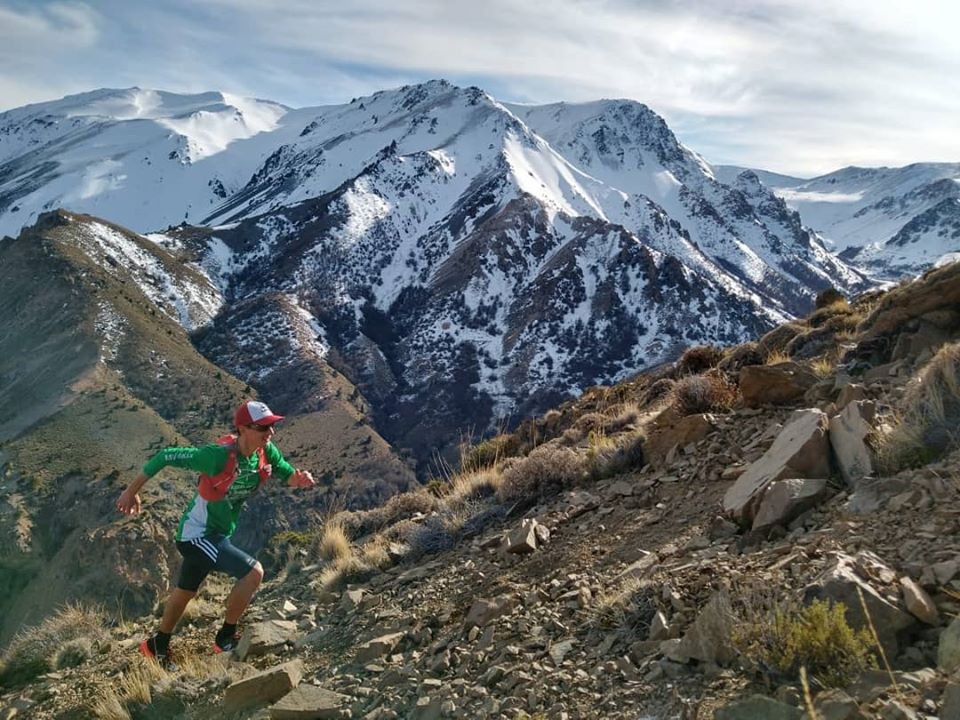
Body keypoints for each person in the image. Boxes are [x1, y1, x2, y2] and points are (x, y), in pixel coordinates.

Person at [116, 400, 315, 662]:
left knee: (187, 590)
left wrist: (298, 480)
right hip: (197, 534)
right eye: (263, 428)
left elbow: (286, 473)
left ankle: (157, 645)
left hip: (218, 532)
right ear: (243, 428)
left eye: (272, 427)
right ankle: (225, 637)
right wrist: (131, 491)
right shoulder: (216, 456)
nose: (270, 433)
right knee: (253, 573)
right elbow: (165, 456)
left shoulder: (266, 452)